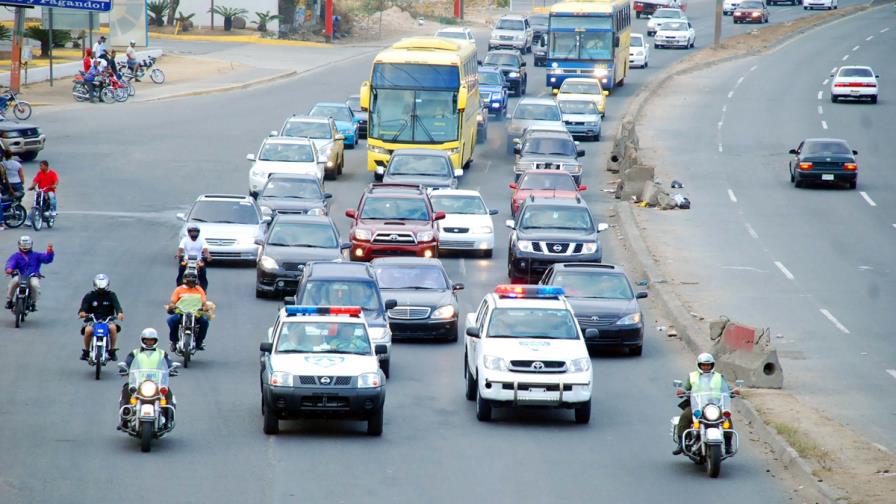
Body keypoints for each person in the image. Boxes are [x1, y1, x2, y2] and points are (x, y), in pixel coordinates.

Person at [673, 353, 740, 455]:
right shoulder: (692, 376)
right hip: (698, 405)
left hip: (715, 406)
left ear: (712, 365)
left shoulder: (719, 377)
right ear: (699, 365)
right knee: (685, 416)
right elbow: (686, 388)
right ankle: (681, 444)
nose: (706, 367)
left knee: (727, 418)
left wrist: (734, 390)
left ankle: (728, 445)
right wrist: (681, 391)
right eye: (703, 365)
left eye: (708, 365)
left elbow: (728, 388)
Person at [119, 328, 175, 423]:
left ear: (155, 341)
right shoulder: (134, 353)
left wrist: (172, 368)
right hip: (138, 383)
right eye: (147, 340)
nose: (149, 342)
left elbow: (169, 363)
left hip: (157, 383)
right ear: (142, 340)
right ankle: (124, 417)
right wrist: (124, 368)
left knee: (168, 393)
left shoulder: (162, 353)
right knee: (126, 390)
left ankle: (168, 419)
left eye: (152, 340)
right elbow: (127, 362)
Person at [78, 274, 125, 361]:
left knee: (113, 328)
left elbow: (117, 306)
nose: (101, 290)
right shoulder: (89, 296)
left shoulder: (111, 295)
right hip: (93, 320)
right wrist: (82, 313)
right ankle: (86, 351)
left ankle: (112, 350)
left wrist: (119, 313)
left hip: (107, 320)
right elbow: (83, 308)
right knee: (88, 331)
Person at [5, 236, 53, 310]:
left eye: (27, 245)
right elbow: (10, 263)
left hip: (32, 276)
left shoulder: (36, 255)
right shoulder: (16, 256)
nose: (25, 247)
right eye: (23, 245)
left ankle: (33, 302)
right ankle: (9, 300)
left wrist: (50, 252)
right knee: (13, 282)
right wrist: (9, 269)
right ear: (19, 245)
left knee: (35, 285)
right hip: (20, 275)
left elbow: (47, 259)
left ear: (31, 245)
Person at [165, 271, 210, 351]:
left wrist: (205, 307)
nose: (191, 284)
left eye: (193, 281)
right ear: (185, 281)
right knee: (171, 321)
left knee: (205, 322)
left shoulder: (199, 289)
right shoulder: (179, 290)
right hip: (182, 313)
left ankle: (199, 342)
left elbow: (204, 302)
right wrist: (172, 306)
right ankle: (174, 342)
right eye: (189, 281)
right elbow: (173, 302)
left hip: (196, 313)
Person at [176, 224, 209, 290]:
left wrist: (208, 256)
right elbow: (180, 248)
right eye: (192, 231)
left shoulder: (201, 240)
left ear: (198, 232)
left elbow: (205, 249)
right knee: (181, 272)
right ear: (189, 232)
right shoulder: (185, 240)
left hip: (198, 261)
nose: (194, 233)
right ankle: (179, 289)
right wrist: (178, 255)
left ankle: (203, 290)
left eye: (195, 231)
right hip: (186, 260)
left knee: (203, 274)